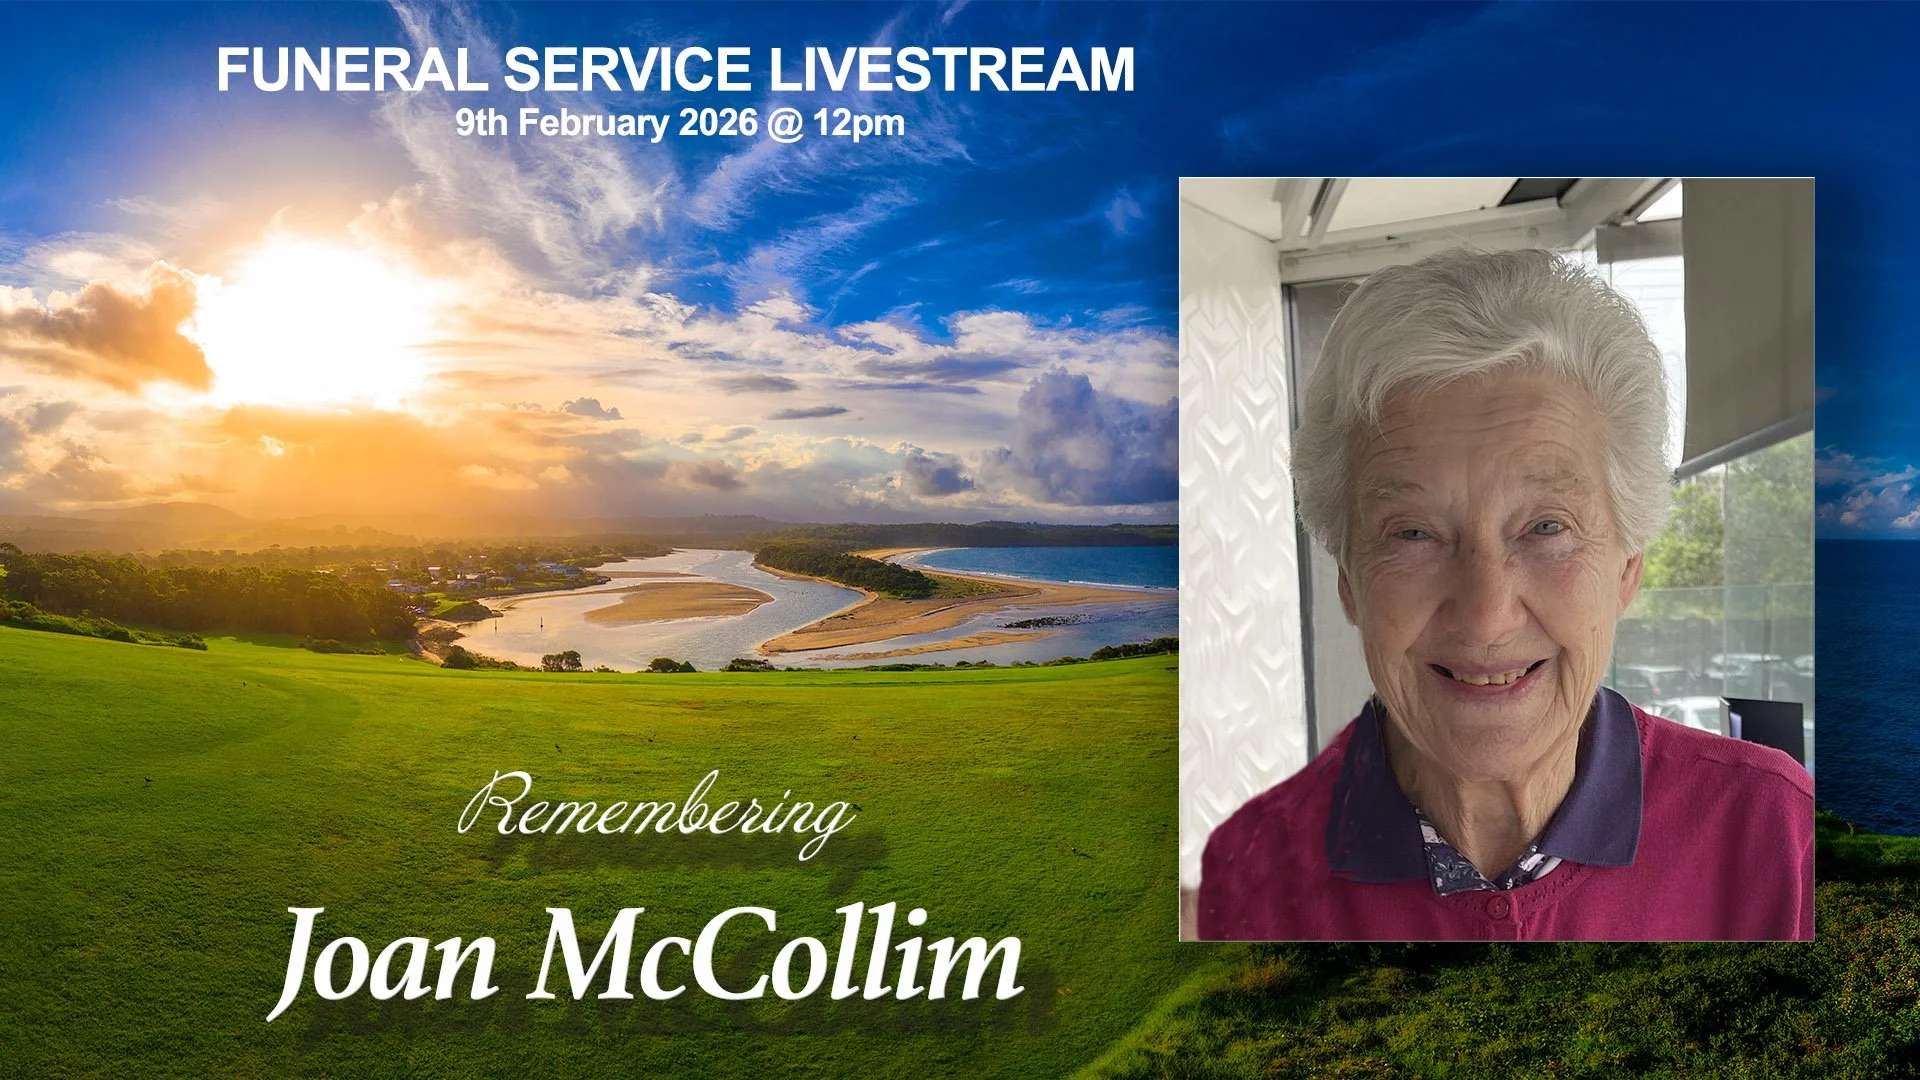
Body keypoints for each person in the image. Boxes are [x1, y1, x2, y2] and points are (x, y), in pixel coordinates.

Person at [1197, 248, 1812, 941]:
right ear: (1349, 581)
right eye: (1413, 533)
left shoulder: (1783, 841)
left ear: (1627, 567)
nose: (1487, 617)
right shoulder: (1252, 870)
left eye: (1548, 527)